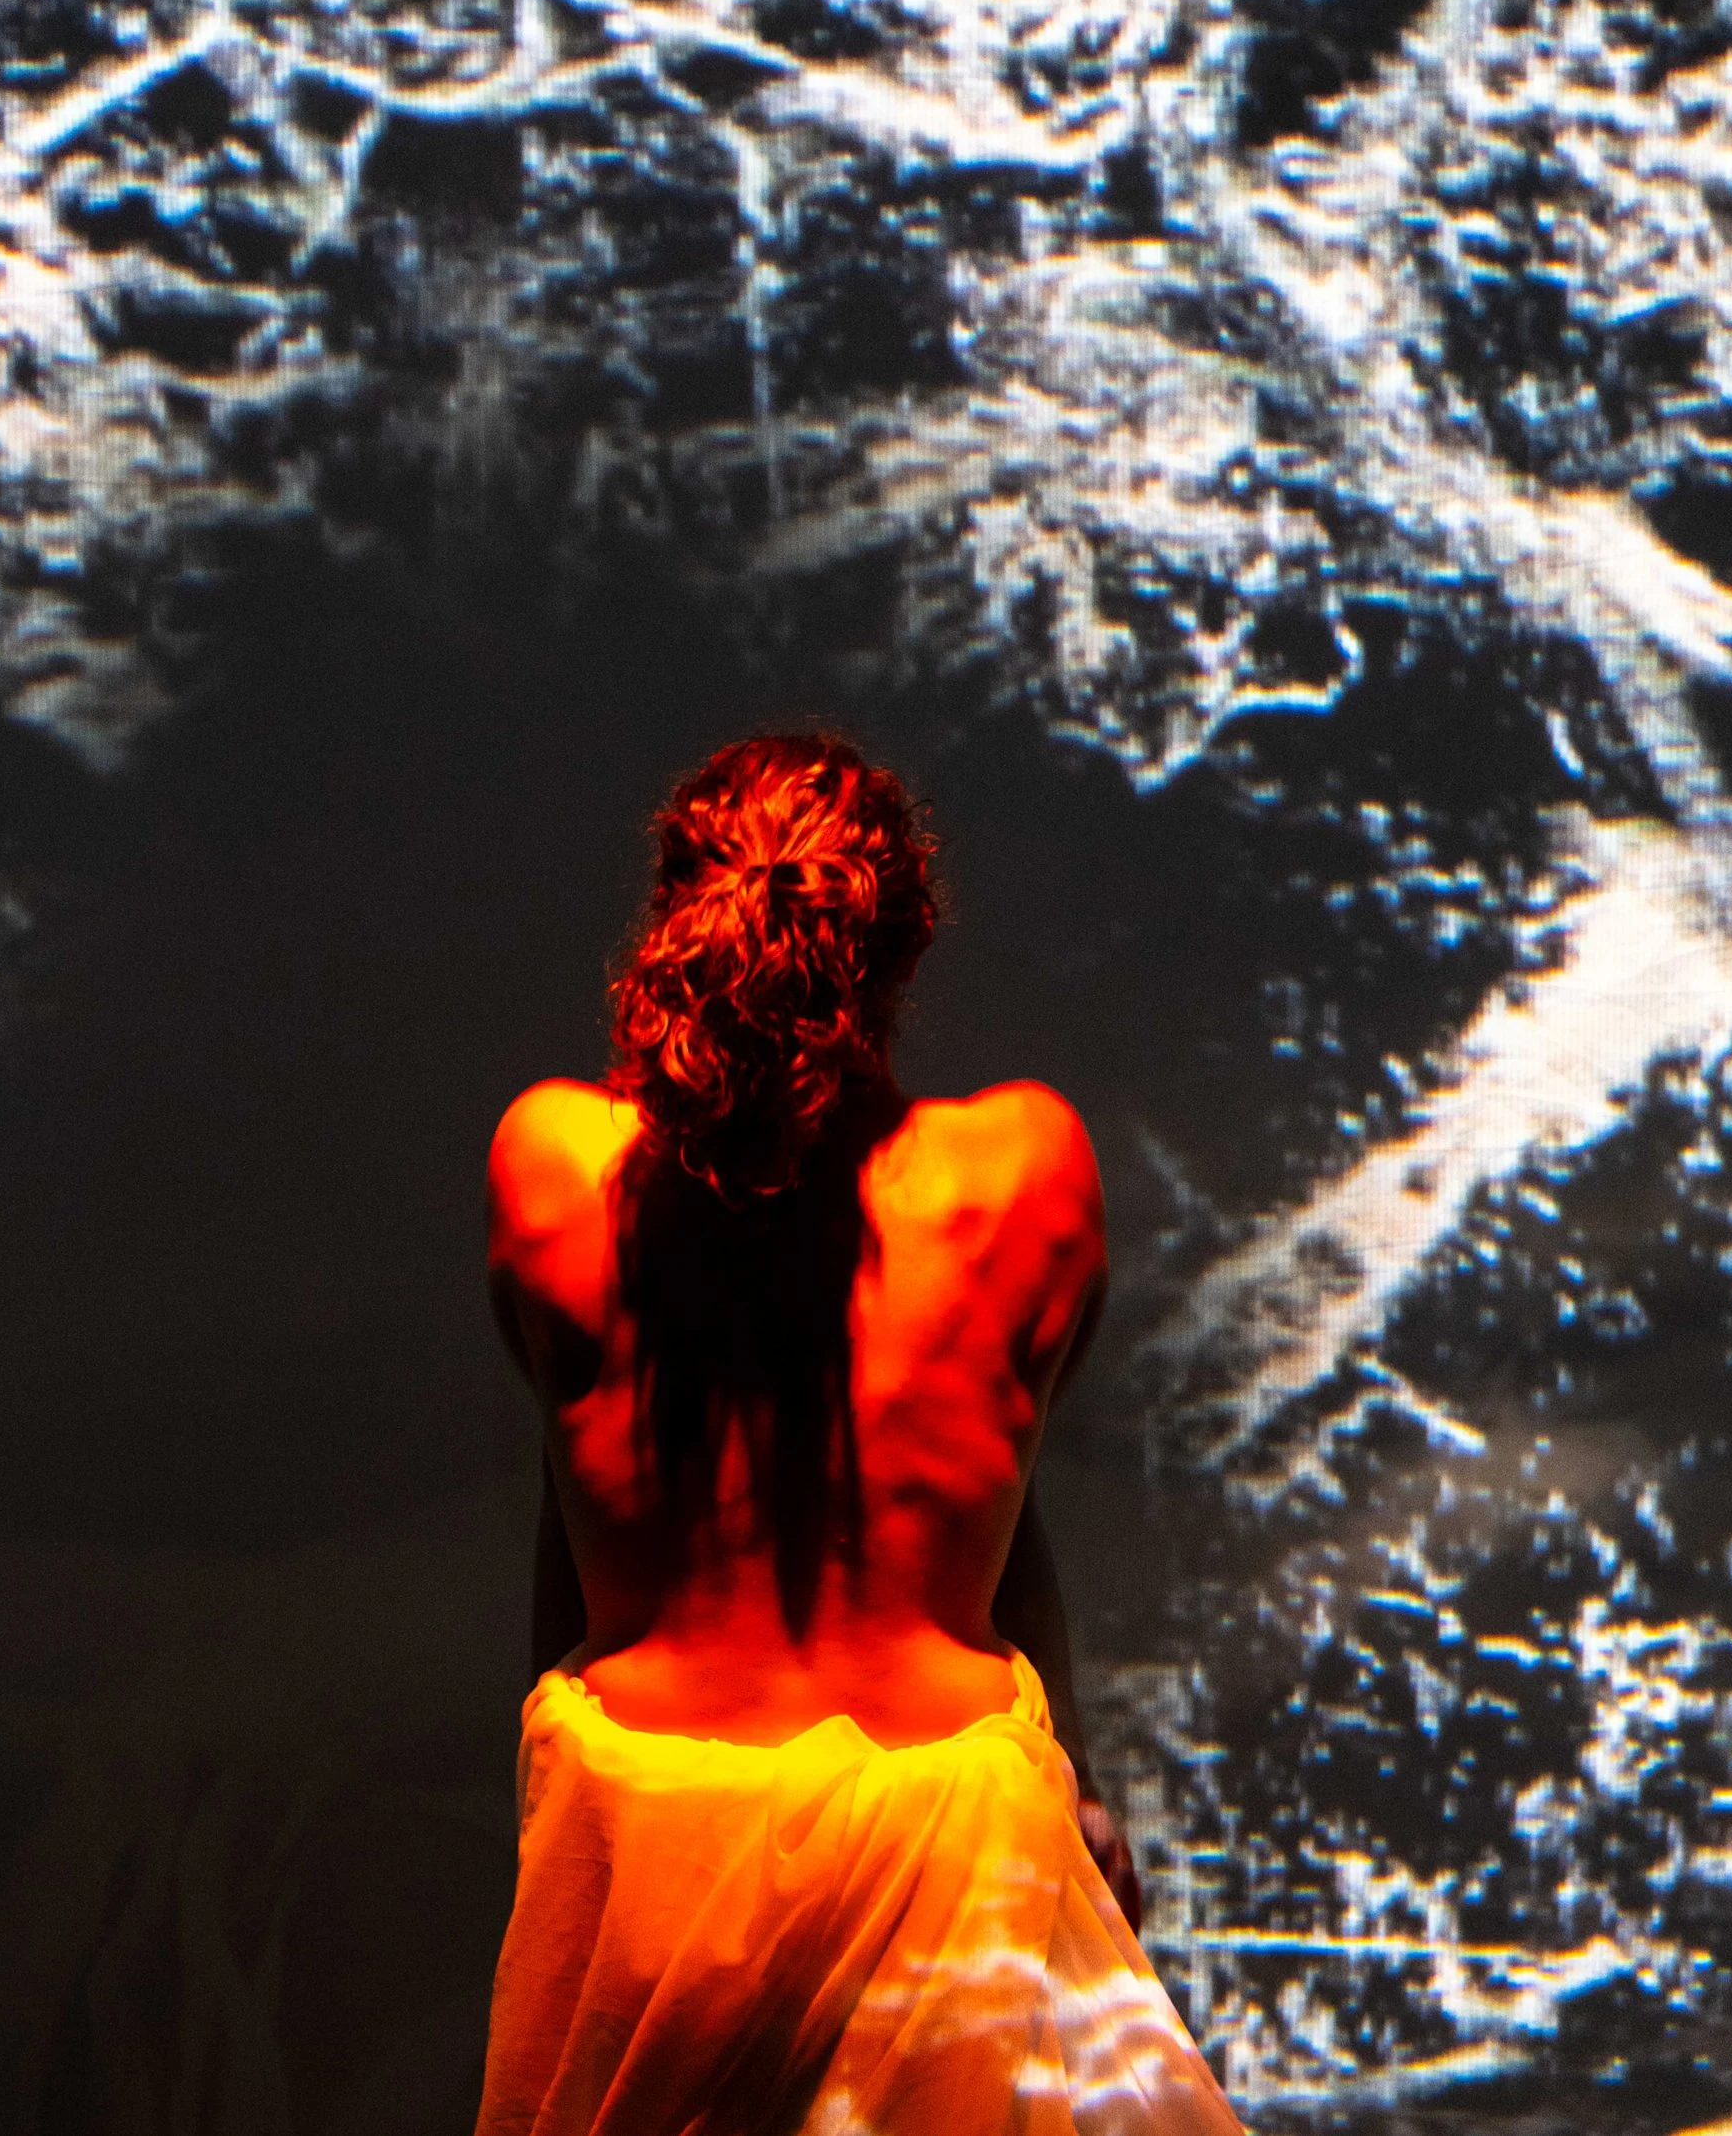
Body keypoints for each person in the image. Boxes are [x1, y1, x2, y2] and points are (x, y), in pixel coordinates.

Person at [477, 729, 1244, 2136]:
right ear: (899, 940)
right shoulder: (1022, 1175)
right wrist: (1068, 1780)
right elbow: (993, 1495)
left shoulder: (552, 1167)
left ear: (678, 908)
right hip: (953, 1847)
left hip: (645, 1849)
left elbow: (571, 1492)